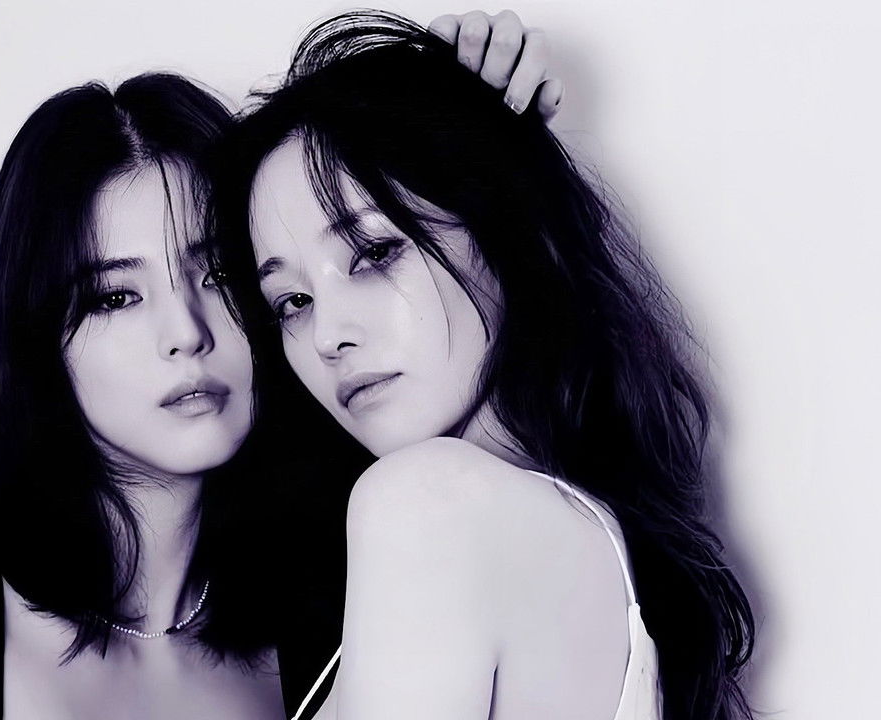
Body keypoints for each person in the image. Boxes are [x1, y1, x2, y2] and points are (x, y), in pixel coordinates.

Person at [0, 12, 555, 719]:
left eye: (218, 276)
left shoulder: (339, 613)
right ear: (40, 339)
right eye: (116, 297)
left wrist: (459, 141)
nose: (185, 333)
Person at [211, 10, 755, 720]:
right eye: (291, 301)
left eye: (374, 253)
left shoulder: (426, 502)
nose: (327, 336)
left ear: (502, 228)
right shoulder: (578, 543)